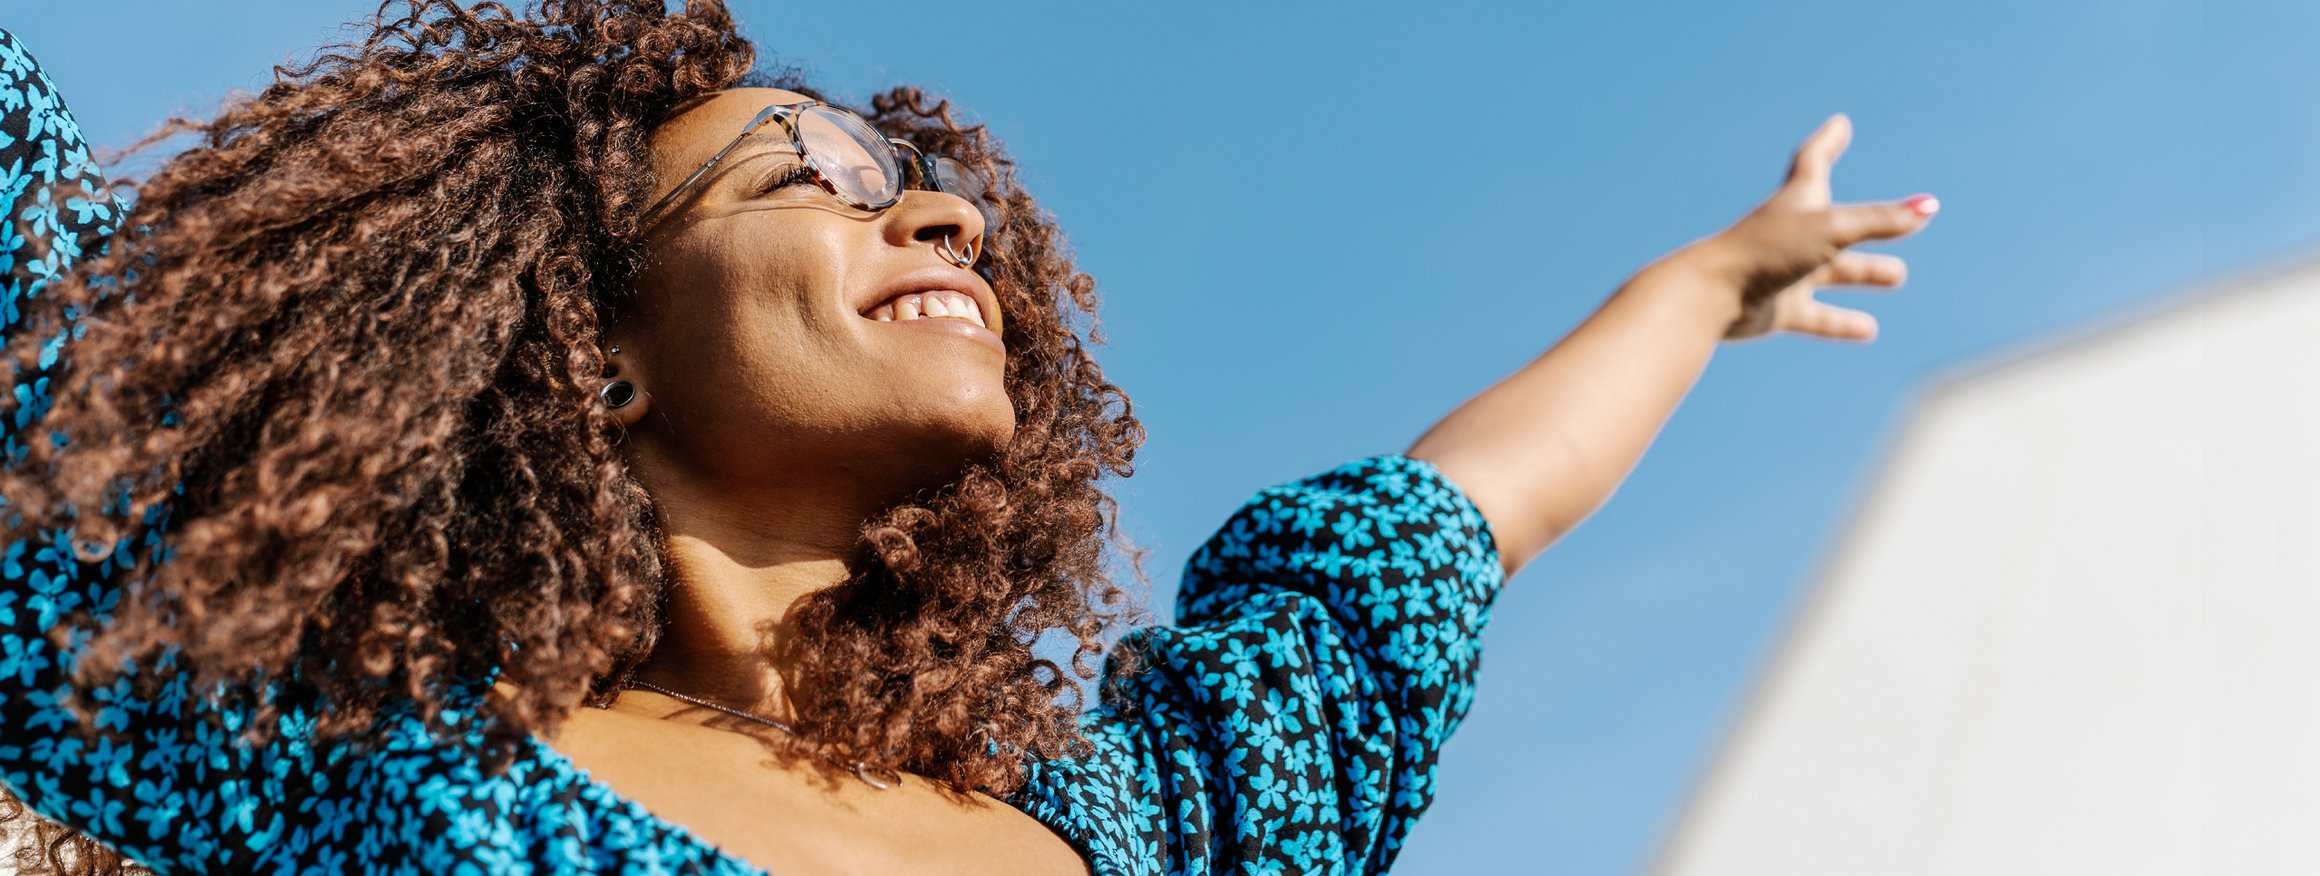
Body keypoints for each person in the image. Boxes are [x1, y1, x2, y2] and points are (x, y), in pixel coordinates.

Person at [0, 2, 1934, 874]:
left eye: (922, 185)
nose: (942, 219)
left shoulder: (1154, 827)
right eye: (809, 180)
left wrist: (1700, 287)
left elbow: (1425, 536)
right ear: (595, 351)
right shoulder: (331, 763)